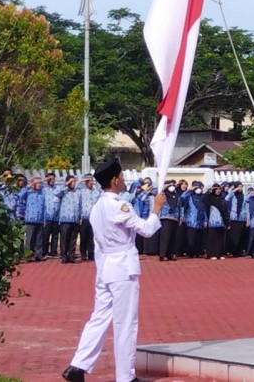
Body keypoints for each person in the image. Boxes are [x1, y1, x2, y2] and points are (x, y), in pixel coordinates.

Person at [62, 158, 163, 382]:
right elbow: (146, 230)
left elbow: (98, 244)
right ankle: (126, 377)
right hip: (122, 268)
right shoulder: (118, 205)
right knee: (125, 323)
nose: (124, 180)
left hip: (106, 266)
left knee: (99, 317)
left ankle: (78, 365)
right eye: (121, 176)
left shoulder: (98, 206)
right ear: (114, 179)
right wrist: (156, 209)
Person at [57, 175, 82, 264]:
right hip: (65, 219)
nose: (73, 183)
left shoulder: (77, 192)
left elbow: (80, 205)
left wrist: (80, 217)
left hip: (75, 219)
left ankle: (71, 256)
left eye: (74, 182)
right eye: (71, 182)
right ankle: (64, 257)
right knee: (64, 239)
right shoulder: (64, 191)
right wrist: (66, 184)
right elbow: (56, 193)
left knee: (73, 239)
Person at [20, 176, 46, 261]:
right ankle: (28, 255)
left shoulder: (42, 194)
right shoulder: (28, 193)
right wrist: (29, 185)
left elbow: (44, 207)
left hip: (40, 219)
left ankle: (38, 255)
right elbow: (20, 196)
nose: (39, 185)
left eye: (39, 183)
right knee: (30, 239)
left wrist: (44, 219)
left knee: (39, 239)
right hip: (30, 219)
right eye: (37, 183)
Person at [180, 181, 207, 258]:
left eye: (199, 187)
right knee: (191, 238)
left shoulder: (202, 197)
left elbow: (204, 209)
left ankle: (198, 252)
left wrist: (205, 220)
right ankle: (191, 253)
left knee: (199, 238)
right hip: (191, 221)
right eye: (196, 188)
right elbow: (182, 197)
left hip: (200, 221)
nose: (198, 189)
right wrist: (189, 190)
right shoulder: (189, 196)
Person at [204, 183, 230, 260]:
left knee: (221, 239)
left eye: (219, 189)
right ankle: (212, 254)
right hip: (213, 222)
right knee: (212, 238)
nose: (218, 191)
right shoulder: (210, 199)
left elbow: (225, 211)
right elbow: (204, 199)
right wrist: (210, 191)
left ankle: (220, 253)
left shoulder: (222, 199)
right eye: (216, 189)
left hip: (221, 222)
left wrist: (227, 222)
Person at [158, 180, 181, 261]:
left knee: (172, 237)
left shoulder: (177, 195)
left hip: (174, 218)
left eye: (173, 185)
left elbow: (179, 207)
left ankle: (170, 254)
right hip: (165, 217)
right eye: (170, 185)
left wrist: (180, 217)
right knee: (165, 237)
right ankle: (162, 254)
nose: (172, 187)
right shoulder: (163, 194)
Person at [79, 175, 101, 261]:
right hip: (84, 217)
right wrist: (83, 180)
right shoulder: (81, 191)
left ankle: (91, 253)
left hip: (93, 218)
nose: (90, 182)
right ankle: (83, 254)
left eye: (91, 181)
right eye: (88, 181)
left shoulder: (96, 192)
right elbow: (79, 204)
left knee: (91, 236)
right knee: (83, 236)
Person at [225, 182, 250, 257]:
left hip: (241, 218)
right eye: (238, 186)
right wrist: (233, 190)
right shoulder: (233, 195)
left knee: (240, 235)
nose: (240, 188)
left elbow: (246, 207)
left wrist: (247, 218)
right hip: (234, 217)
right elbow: (227, 198)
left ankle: (239, 251)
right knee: (233, 235)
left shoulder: (244, 196)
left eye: (241, 187)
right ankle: (232, 250)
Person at [42, 172, 61, 258]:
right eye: (50, 179)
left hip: (56, 216)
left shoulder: (57, 188)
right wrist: (45, 179)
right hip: (47, 216)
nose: (52, 180)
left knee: (55, 235)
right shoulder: (43, 189)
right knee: (45, 235)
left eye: (53, 179)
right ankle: (45, 252)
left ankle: (53, 252)